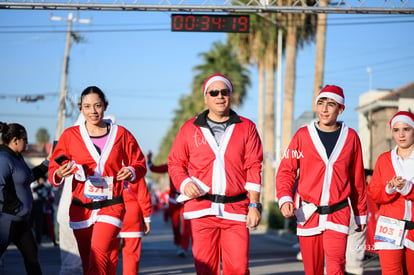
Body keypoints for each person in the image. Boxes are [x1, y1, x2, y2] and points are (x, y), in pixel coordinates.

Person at [168, 73, 263, 274]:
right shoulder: (189, 128)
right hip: (201, 209)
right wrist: (184, 183)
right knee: (205, 269)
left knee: (238, 268)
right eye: (214, 92)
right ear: (206, 97)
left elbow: (254, 167)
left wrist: (254, 205)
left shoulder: (247, 127)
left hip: (236, 210)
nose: (219, 96)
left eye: (224, 92)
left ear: (230, 95)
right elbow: (175, 163)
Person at [48, 86, 147, 274]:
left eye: (97, 105)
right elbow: (54, 168)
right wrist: (60, 172)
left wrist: (131, 170)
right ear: (80, 108)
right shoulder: (70, 136)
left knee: (98, 253)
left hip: (111, 205)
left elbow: (139, 162)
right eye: (87, 106)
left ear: (105, 106)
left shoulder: (121, 134)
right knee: (88, 262)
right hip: (80, 208)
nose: (93, 111)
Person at [276, 85, 367, 275]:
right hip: (308, 214)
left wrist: (360, 214)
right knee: (313, 270)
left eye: (331, 104)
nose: (324, 109)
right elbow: (286, 170)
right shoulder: (302, 136)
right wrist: (285, 198)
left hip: (338, 213)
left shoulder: (351, 137)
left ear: (340, 109)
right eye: (321, 103)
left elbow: (357, 179)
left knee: (336, 268)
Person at [367, 110, 414, 275]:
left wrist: (408, 188)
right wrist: (390, 188)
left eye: (406, 129)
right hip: (389, 226)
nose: (401, 134)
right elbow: (374, 193)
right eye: (396, 130)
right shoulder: (384, 159)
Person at [0, 121, 49, 275]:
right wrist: (17, 208)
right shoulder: (3, 158)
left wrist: (47, 163)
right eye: (25, 139)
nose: (27, 143)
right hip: (6, 222)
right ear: (15, 140)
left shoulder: (18, 158)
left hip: (22, 223)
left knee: (32, 259)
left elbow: (29, 177)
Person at [147, 151, 191, 257]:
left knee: (187, 224)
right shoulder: (171, 165)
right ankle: (178, 244)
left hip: (187, 198)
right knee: (175, 224)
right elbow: (154, 168)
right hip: (173, 199)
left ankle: (184, 247)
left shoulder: (192, 165)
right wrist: (149, 160)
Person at [109, 177, 151, 274]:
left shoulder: (108, 166)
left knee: (110, 255)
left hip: (111, 212)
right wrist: (146, 218)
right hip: (132, 214)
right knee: (131, 255)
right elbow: (143, 195)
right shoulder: (135, 170)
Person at [344, 169, 373, 275]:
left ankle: (334, 267)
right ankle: (353, 267)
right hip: (358, 205)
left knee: (336, 239)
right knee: (356, 238)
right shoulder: (360, 175)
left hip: (340, 204)